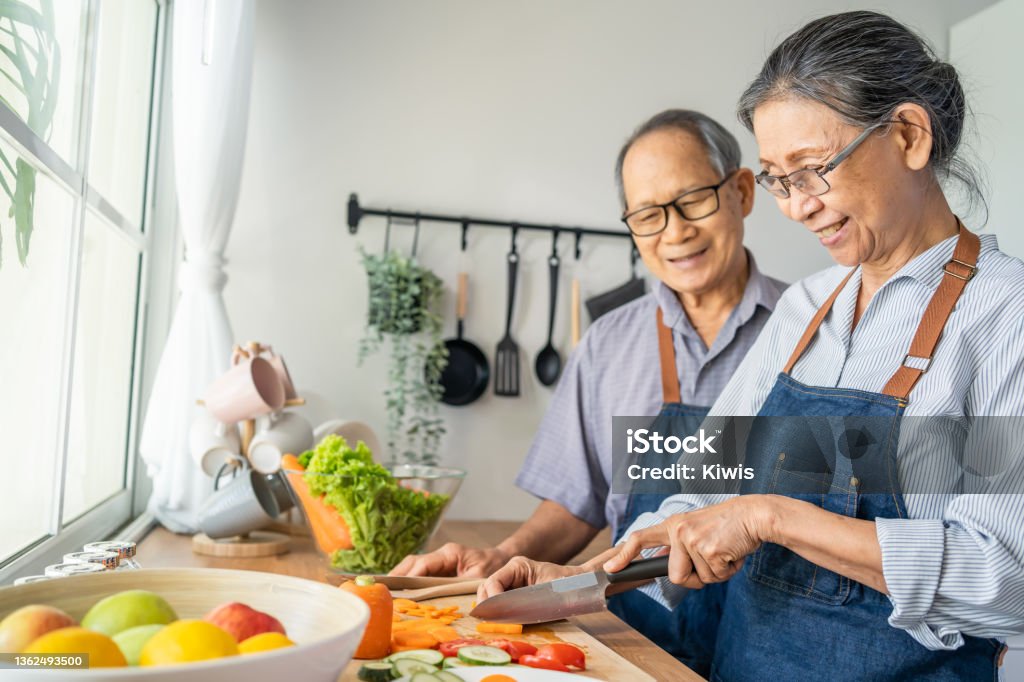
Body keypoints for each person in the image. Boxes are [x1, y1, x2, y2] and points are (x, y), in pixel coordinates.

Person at [479, 11, 1024, 680]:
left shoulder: (1006, 317)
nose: (796, 206)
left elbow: (1007, 577)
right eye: (777, 177)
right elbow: (703, 492)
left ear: (909, 135)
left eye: (811, 169)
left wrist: (771, 516)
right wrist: (580, 577)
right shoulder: (803, 312)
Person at [392, 110, 786, 668]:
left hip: (767, 648)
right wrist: (500, 557)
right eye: (648, 215)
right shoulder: (608, 343)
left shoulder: (814, 333)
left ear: (742, 191)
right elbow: (576, 505)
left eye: (694, 199)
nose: (675, 231)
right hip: (633, 645)